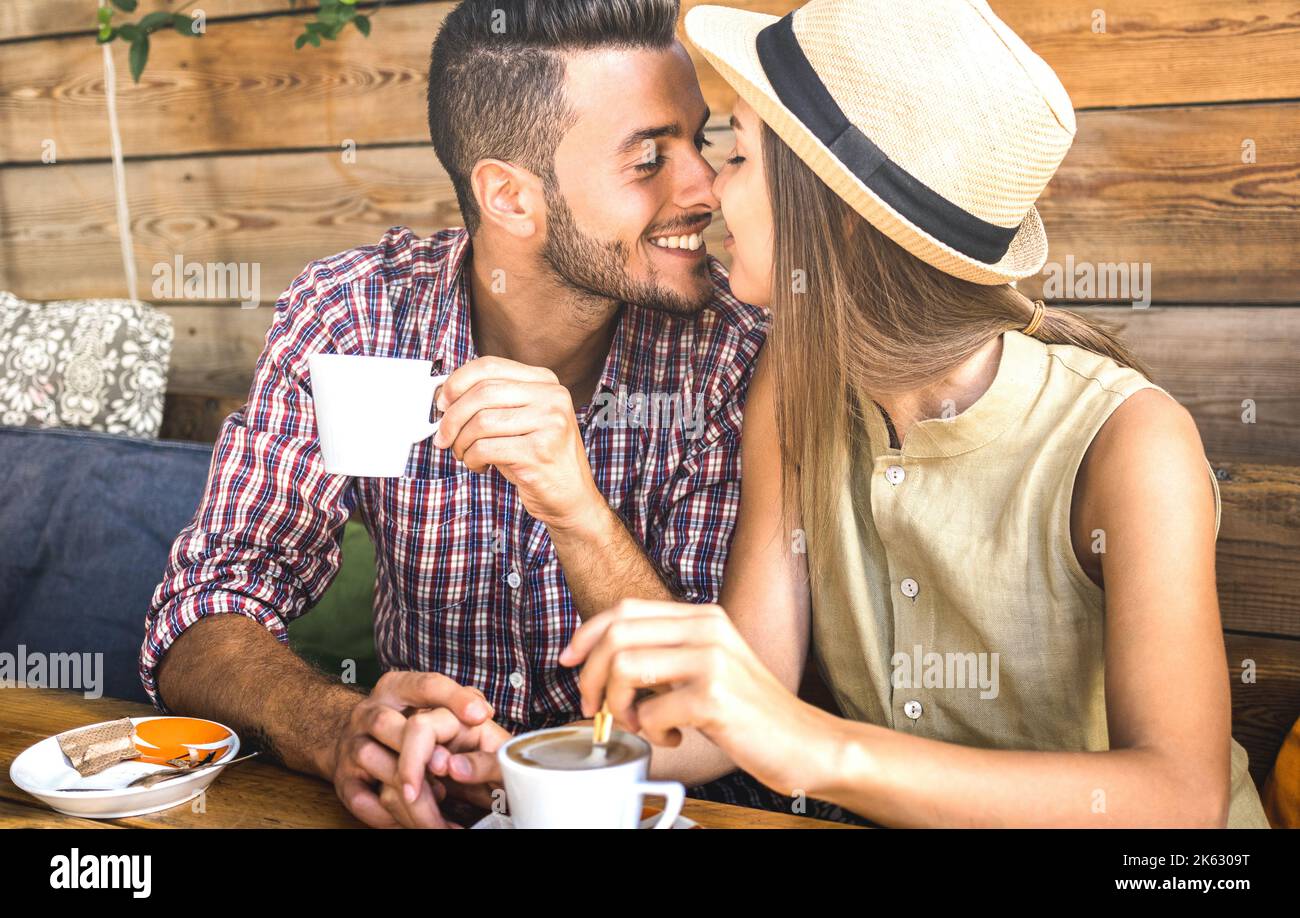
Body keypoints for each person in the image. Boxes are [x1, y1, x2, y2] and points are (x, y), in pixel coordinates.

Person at [560, 0, 1272, 827]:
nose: (710, 190)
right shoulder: (793, 386)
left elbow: (1177, 803)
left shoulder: (1128, 441)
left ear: (843, 223)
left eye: (739, 156)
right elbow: (725, 728)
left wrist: (818, 749)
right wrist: (496, 757)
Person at [140, 0, 772, 828]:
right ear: (509, 197)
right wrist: (335, 726)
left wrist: (577, 512)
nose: (705, 187)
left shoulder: (728, 351)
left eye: (702, 141)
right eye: (650, 157)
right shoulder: (357, 316)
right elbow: (204, 603)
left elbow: (711, 714)